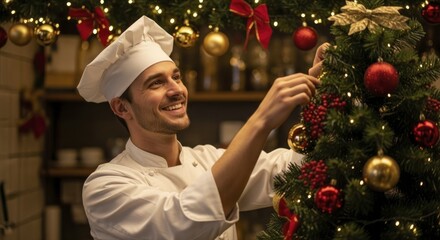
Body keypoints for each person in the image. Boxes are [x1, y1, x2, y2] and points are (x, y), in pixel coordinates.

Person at [78, 15, 327, 240]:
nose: (177, 90)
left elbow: (294, 170)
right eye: (156, 83)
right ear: (122, 108)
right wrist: (261, 121)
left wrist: (326, 91)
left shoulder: (208, 159)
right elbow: (183, 223)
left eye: (176, 77)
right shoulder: (105, 187)